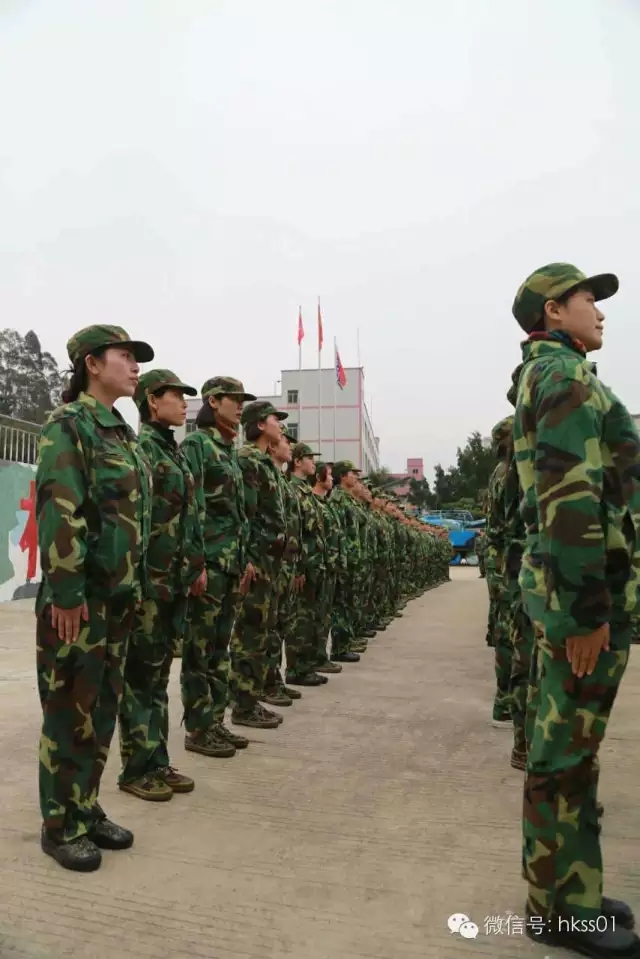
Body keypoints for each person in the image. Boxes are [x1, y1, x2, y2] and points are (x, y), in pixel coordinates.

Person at [512, 263, 640, 957]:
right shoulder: (562, 377)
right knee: (563, 757)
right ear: (554, 311)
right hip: (580, 602)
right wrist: (587, 612)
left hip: (577, 596)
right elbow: (570, 499)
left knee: (573, 756)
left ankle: (573, 890)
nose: (602, 310)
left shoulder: (560, 373)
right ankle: (558, 909)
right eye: (590, 298)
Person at [36, 324, 154, 871]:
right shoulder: (70, 424)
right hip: (79, 601)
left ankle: (85, 807)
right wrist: (65, 592)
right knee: (69, 712)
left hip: (117, 599)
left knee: (101, 710)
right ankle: (61, 826)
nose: (135, 367)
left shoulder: (121, 433)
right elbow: (60, 508)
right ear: (92, 363)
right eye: (124, 356)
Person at [118, 370, 206, 802]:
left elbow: (187, 518)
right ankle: (136, 768)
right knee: (140, 678)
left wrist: (193, 566)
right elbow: (136, 523)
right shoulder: (144, 452)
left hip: (172, 582)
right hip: (150, 583)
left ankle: (157, 760)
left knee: (157, 677)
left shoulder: (171, 451)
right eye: (176, 395)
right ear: (153, 401)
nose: (184, 402)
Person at [180, 377, 256, 757]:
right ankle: (198, 728)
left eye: (243, 401)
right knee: (199, 650)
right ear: (213, 401)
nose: (240, 406)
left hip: (229, 566)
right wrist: (195, 563)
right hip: (208, 565)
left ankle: (214, 722)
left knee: (220, 650)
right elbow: (191, 506)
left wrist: (244, 560)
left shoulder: (229, 452)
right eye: (234, 399)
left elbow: (238, 515)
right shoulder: (197, 445)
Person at [228, 400, 288, 728]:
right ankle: (242, 704)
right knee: (249, 634)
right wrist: (248, 558)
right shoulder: (248, 460)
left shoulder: (264, 463)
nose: (281, 425)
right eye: (276, 419)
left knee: (261, 633)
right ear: (261, 425)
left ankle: (250, 699)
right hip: (256, 563)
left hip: (269, 561)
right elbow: (244, 514)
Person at [263, 427, 304, 705]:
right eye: (286, 441)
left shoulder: (282, 481)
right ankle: (262, 686)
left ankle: (274, 680)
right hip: (268, 562)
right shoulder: (264, 473)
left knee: (280, 626)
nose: (288, 445)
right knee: (266, 628)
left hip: (285, 563)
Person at [485, 416, 514, 730]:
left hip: (505, 561)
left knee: (507, 631)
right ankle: (506, 700)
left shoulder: (501, 471)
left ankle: (507, 699)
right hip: (508, 563)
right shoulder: (508, 473)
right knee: (509, 634)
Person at [329, 461, 363, 663]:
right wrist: (341, 560)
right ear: (342, 476)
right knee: (341, 605)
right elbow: (337, 532)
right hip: (343, 559)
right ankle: (339, 648)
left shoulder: (348, 500)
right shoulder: (338, 499)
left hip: (352, 559)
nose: (356, 477)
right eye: (352, 473)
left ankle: (346, 643)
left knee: (349, 603)